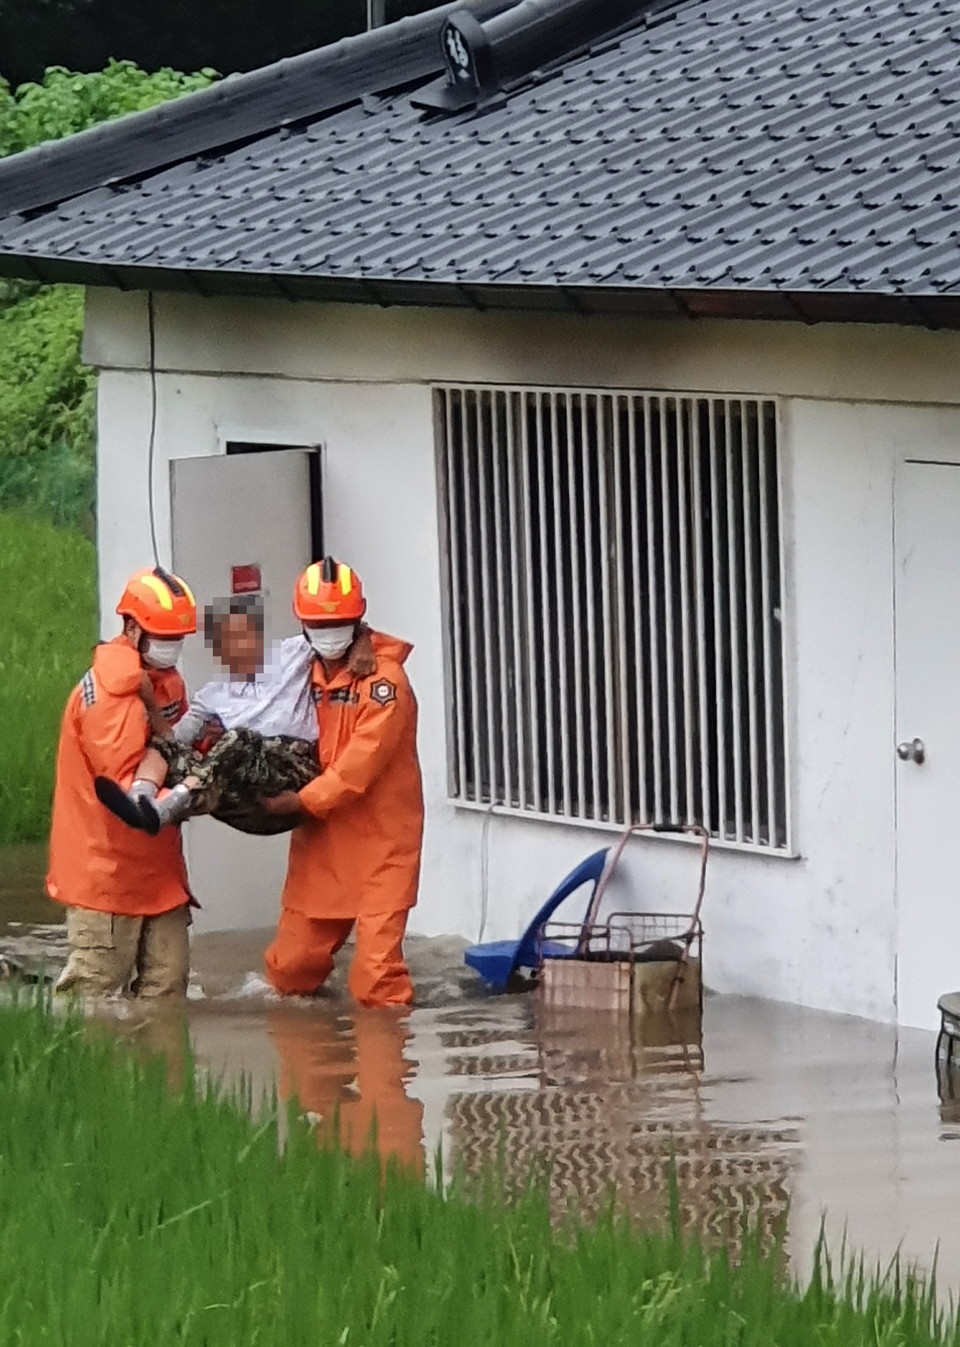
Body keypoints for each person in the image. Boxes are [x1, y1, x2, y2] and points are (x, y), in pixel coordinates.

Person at [261, 556, 424, 1008]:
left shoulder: (386, 683)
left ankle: (385, 1069)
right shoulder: (295, 669)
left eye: (338, 624)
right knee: (290, 973)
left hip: (381, 846)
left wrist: (297, 802)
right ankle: (312, 1065)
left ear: (358, 619)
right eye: (317, 623)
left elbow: (358, 768)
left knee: (377, 983)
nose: (327, 633)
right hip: (321, 842)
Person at [94, 594, 377, 836]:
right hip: (250, 798)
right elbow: (173, 739)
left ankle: (170, 806)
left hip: (295, 773)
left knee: (239, 740)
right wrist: (150, 703)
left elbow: (337, 630)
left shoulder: (292, 654)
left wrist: (364, 639)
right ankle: (140, 800)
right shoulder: (214, 694)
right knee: (167, 747)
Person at [47, 566, 197, 998]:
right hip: (106, 876)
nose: (172, 647)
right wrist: (193, 793)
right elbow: (122, 783)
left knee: (167, 993)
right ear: (131, 629)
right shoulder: (107, 694)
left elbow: (175, 747)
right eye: (163, 636)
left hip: (160, 874)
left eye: (177, 638)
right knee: (92, 999)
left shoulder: (165, 683)